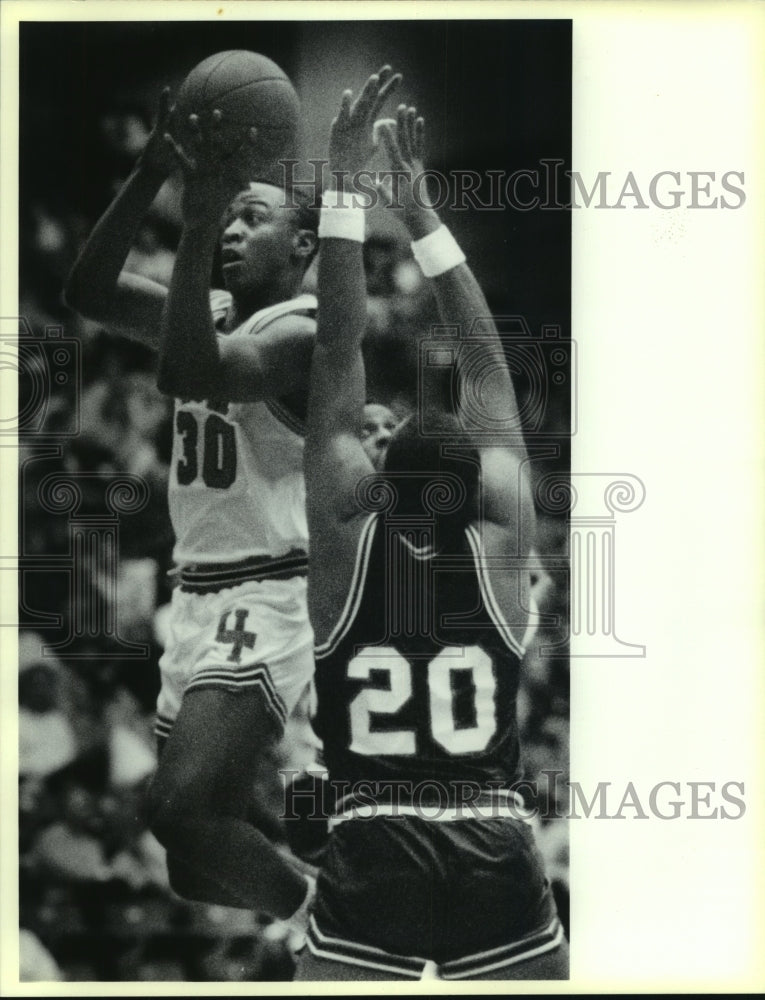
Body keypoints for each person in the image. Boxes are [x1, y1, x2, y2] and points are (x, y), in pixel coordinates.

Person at [63, 68, 399, 927]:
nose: (234, 230)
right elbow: (88, 294)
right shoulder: (208, 304)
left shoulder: (300, 330)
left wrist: (204, 205)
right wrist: (152, 173)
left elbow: (190, 370)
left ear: (301, 247)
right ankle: (335, 866)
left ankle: (329, 937)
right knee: (191, 866)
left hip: (267, 587)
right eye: (232, 215)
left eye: (257, 217)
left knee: (181, 813)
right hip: (200, 590)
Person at [294, 94, 569, 980]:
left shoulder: (345, 547)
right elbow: (489, 368)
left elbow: (337, 353)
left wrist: (343, 193)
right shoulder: (498, 556)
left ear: (379, 488)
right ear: (478, 492)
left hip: (370, 849)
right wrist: (420, 211)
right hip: (493, 844)